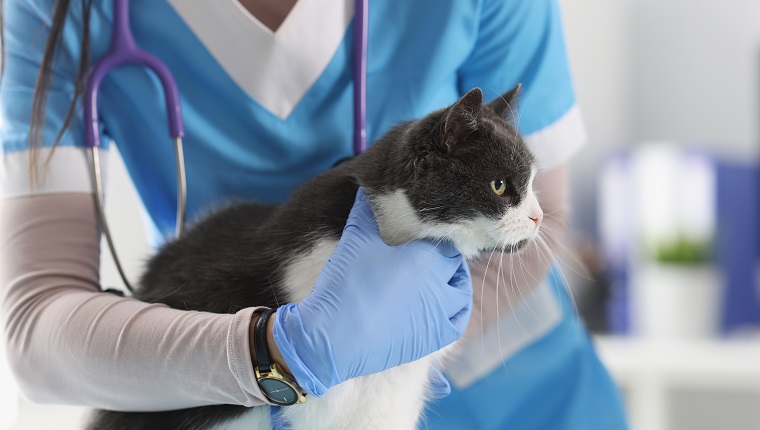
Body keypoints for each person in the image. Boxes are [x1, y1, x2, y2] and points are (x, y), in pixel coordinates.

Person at [0, 0, 628, 428]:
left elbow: (548, 213)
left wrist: (395, 348)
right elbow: (37, 330)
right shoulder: (59, 13)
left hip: (528, 402)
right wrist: (275, 357)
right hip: (232, 388)